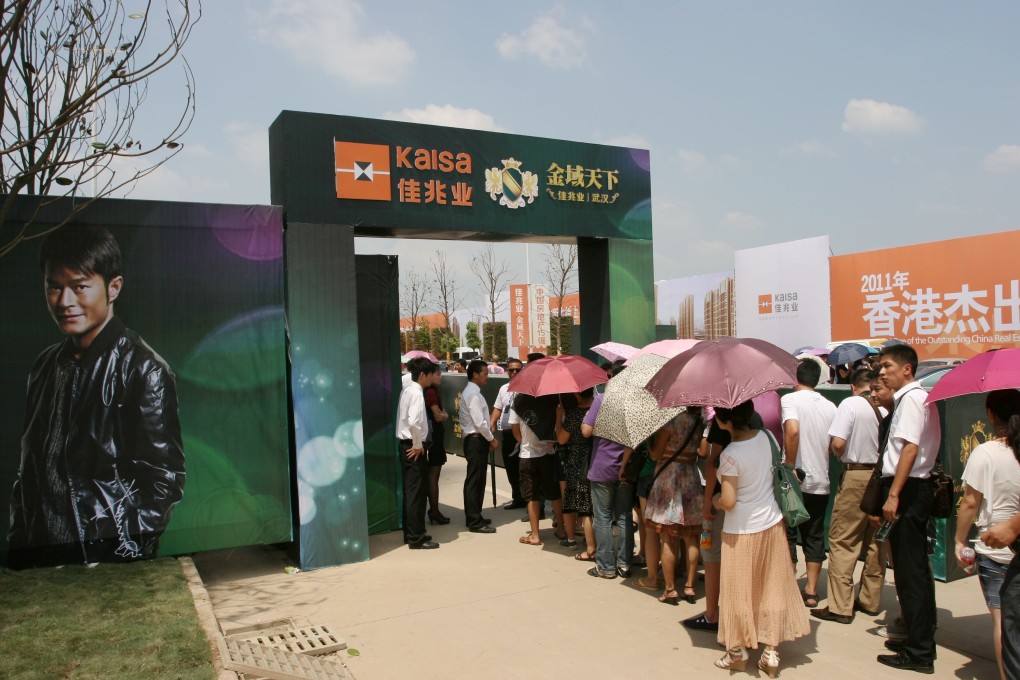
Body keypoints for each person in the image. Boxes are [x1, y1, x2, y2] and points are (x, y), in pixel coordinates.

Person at [8, 225, 185, 568]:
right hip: (39, 558)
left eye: (79, 287)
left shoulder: (143, 370)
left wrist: (119, 552)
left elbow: (164, 482)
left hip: (100, 560)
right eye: (54, 287)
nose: (65, 301)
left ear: (113, 288)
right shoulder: (45, 366)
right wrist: (19, 549)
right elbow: (28, 470)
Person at [712, 399, 809, 677]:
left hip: (740, 530)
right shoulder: (767, 437)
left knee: (737, 591)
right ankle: (771, 651)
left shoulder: (730, 454)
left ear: (724, 420)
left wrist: (717, 499)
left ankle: (737, 650)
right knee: (771, 587)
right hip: (772, 523)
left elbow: (729, 500)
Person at [876, 343, 940, 673]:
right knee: (910, 569)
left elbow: (910, 450)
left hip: (909, 490)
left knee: (911, 573)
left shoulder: (913, 400)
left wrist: (894, 494)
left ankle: (919, 652)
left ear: (906, 369)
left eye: (887, 366)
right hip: (910, 488)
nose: (881, 372)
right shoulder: (910, 399)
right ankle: (916, 637)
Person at [954, 389, 1020, 680]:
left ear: (991, 415)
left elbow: (969, 502)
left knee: (1002, 620)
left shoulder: (985, 452)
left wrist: (958, 540)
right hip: (1008, 546)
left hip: (995, 548)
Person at [812, 367, 884, 624]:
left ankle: (841, 605)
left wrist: (839, 456)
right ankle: (870, 600)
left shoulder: (851, 404)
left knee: (843, 539)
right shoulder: (886, 406)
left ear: (854, 386)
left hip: (856, 475)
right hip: (882, 478)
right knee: (876, 542)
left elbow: (839, 443)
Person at [780, 358, 837, 607]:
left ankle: (789, 587)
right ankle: (812, 591)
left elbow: (792, 430)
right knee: (814, 535)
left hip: (795, 480)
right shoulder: (830, 406)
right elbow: (835, 444)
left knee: (788, 534)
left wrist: (790, 466)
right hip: (820, 479)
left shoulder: (789, 400)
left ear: (796, 378)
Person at [643, 408, 705, 605]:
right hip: (691, 476)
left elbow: (655, 454)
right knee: (691, 536)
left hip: (669, 478)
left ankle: (670, 589)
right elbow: (701, 452)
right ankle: (689, 586)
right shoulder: (700, 422)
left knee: (668, 537)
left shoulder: (671, 422)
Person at [582, 366, 634, 580]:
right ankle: (624, 564)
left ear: (610, 377)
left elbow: (586, 431)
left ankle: (606, 566)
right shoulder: (633, 403)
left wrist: (588, 417)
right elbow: (634, 437)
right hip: (625, 466)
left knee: (602, 518)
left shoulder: (601, 399)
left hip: (602, 466)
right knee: (624, 516)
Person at [396, 357, 439, 550]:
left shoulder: (408, 390)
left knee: (410, 492)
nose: (432, 378)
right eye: (431, 374)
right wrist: (418, 444)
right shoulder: (416, 393)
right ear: (423, 375)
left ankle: (411, 533)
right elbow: (414, 422)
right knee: (417, 493)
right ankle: (417, 538)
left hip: (406, 445)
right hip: (413, 447)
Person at [510, 394, 564, 546]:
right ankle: (561, 529)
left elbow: (514, 429)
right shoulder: (551, 400)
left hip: (527, 455)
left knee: (531, 495)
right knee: (554, 494)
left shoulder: (519, 401)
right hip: (548, 454)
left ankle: (535, 535)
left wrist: (524, 443)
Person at [554, 389, 595, 557]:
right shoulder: (596, 412)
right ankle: (590, 538)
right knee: (590, 503)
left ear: (578, 395)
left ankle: (571, 539)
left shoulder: (575, 414)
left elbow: (561, 439)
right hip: (593, 459)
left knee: (571, 500)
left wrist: (558, 416)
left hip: (575, 459)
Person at [459, 359, 498, 534]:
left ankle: (475, 515)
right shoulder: (473, 394)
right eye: (485, 373)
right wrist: (491, 439)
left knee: (478, 479)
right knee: (475, 480)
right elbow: (479, 422)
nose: (487, 377)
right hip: (476, 439)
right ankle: (474, 520)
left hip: (476, 439)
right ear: (475, 374)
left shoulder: (473, 392)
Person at [490, 357, 526, 510]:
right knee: (511, 469)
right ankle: (517, 498)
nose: (514, 372)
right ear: (507, 371)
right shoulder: (503, 389)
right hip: (507, 435)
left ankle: (529, 500)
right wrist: (491, 424)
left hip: (523, 436)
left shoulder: (527, 389)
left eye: (518, 369)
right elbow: (498, 408)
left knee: (524, 470)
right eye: (511, 370)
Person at [424, 368, 450, 525]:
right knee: (433, 474)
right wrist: (444, 415)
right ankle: (434, 510)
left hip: (434, 436)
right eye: (438, 374)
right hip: (434, 437)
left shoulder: (432, 391)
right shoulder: (430, 393)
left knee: (434, 474)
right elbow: (439, 416)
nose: (441, 377)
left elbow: (442, 414)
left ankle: (434, 510)